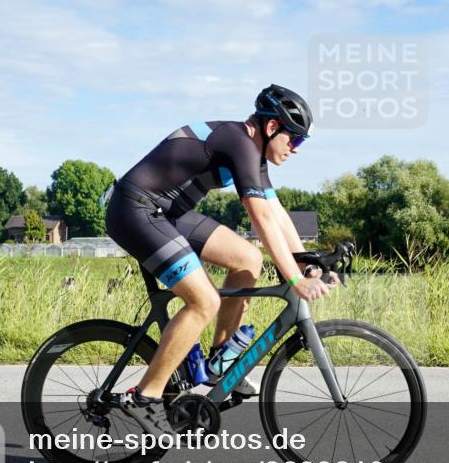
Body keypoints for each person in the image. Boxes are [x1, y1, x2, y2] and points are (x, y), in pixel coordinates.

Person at [105, 84, 335, 436]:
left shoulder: (253, 155)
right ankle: (145, 396)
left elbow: (276, 215)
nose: (296, 149)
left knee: (247, 258)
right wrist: (293, 279)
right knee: (204, 301)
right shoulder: (237, 140)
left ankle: (220, 362)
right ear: (272, 128)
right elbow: (259, 219)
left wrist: (305, 264)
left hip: (167, 213)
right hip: (136, 210)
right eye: (296, 139)